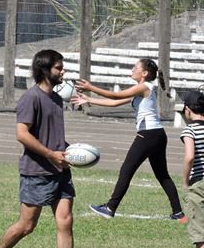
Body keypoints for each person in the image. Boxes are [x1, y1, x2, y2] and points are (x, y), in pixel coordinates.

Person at [0, 49, 90, 248]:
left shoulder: (56, 99)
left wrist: (70, 151)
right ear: (44, 70)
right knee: (27, 225)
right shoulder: (30, 98)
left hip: (60, 171)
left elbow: (52, 135)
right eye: (58, 68)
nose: (63, 72)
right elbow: (22, 134)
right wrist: (51, 154)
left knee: (65, 220)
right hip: (37, 171)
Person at [73, 58, 185, 221]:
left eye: (135, 67)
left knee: (126, 170)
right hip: (157, 135)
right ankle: (178, 213)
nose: (132, 69)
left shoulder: (143, 87)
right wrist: (88, 99)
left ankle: (110, 208)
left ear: (144, 73)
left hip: (147, 135)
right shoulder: (142, 89)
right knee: (162, 175)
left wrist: (91, 88)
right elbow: (115, 102)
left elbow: (115, 94)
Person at [175, 89, 204, 248]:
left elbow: (189, 157)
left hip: (199, 183)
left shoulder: (190, 130)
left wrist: (185, 181)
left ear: (187, 110)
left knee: (200, 231)